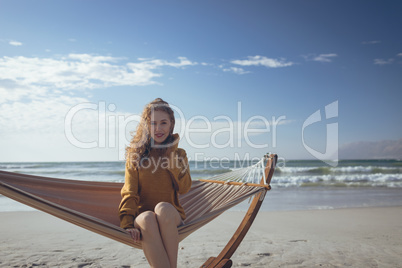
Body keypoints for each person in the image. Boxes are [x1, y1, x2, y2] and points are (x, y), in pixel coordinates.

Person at [119, 98, 192, 268]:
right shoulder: (135, 155)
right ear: (146, 126)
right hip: (144, 220)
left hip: (171, 217)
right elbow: (130, 191)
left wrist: (171, 159)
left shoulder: (179, 154)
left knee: (162, 208)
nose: (158, 129)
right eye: (153, 123)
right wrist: (128, 223)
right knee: (147, 217)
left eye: (163, 123)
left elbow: (185, 188)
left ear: (171, 124)